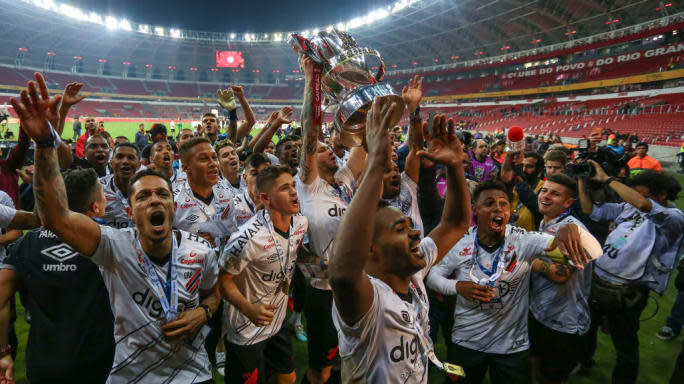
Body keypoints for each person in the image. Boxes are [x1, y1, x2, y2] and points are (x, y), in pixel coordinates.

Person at [12, 76, 221, 382]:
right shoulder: (113, 246)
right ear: (128, 209)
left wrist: (203, 313)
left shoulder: (201, 251)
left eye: (162, 194)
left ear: (174, 206)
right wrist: (45, 144)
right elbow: (56, 217)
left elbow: (213, 293)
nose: (154, 201)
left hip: (194, 374)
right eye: (143, 196)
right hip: (131, 375)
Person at [330, 102, 472, 383]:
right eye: (400, 228)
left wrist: (456, 166)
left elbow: (454, 224)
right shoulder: (368, 300)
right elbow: (343, 274)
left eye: (410, 226)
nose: (417, 234)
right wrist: (375, 165)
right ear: (371, 248)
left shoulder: (413, 274)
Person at [427, 179, 599, 384]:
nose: (498, 209)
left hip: (512, 347)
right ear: (475, 208)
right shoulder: (460, 242)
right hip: (465, 341)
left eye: (503, 203)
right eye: (489, 203)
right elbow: (432, 276)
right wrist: (456, 286)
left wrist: (572, 230)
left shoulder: (523, 240)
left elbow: (594, 251)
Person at [0, 169, 114, 384]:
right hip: (101, 362)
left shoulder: (27, 243)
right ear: (96, 207)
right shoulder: (113, 242)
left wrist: (3, 351)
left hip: (44, 363)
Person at [296, 57, 367, 384]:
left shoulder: (346, 181)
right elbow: (309, 131)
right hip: (322, 291)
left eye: (330, 149)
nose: (329, 152)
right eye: (322, 150)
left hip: (354, 286)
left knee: (347, 362)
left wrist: (366, 94)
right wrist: (313, 81)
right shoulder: (311, 186)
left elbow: (366, 143)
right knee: (321, 368)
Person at [579, 165, 684, 384]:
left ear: (662, 195)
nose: (632, 198)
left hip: (629, 291)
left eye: (639, 193)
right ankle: (584, 362)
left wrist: (607, 179)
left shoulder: (674, 218)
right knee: (587, 329)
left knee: (625, 345)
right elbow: (592, 211)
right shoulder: (630, 207)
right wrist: (581, 181)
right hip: (600, 279)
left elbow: (643, 204)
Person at [219, 165, 307, 384]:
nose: (294, 192)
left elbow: (293, 250)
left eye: (294, 185)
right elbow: (222, 280)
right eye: (285, 188)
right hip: (246, 329)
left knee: (288, 378)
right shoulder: (246, 239)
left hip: (277, 321)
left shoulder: (301, 223)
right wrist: (249, 308)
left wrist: (317, 264)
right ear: (266, 198)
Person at [528, 174, 595, 384]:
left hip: (563, 323)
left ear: (568, 202)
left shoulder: (575, 231)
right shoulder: (547, 222)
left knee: (553, 378)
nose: (546, 196)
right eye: (544, 190)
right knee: (536, 366)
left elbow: (561, 274)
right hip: (541, 313)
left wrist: (523, 258)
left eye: (555, 194)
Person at [98, 143, 141, 229]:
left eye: (131, 158)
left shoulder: (149, 188)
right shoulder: (97, 188)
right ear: (111, 163)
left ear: (139, 165)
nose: (125, 161)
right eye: (120, 157)